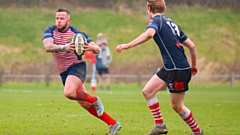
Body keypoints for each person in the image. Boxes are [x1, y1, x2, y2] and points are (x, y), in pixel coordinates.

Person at [116, 0, 203, 135]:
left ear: (149, 9)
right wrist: (194, 66)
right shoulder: (171, 23)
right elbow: (192, 46)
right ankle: (160, 126)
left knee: (177, 106)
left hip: (177, 70)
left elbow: (149, 34)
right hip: (171, 68)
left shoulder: (155, 21)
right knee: (148, 91)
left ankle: (197, 132)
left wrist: (126, 45)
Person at [42, 7, 121, 135]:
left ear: (69, 20)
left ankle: (94, 100)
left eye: (62, 18)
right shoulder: (50, 31)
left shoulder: (77, 34)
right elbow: (48, 46)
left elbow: (97, 49)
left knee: (68, 93)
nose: (58, 21)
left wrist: (92, 47)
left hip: (76, 66)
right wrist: (64, 47)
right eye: (57, 18)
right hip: (64, 72)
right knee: (84, 104)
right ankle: (113, 124)